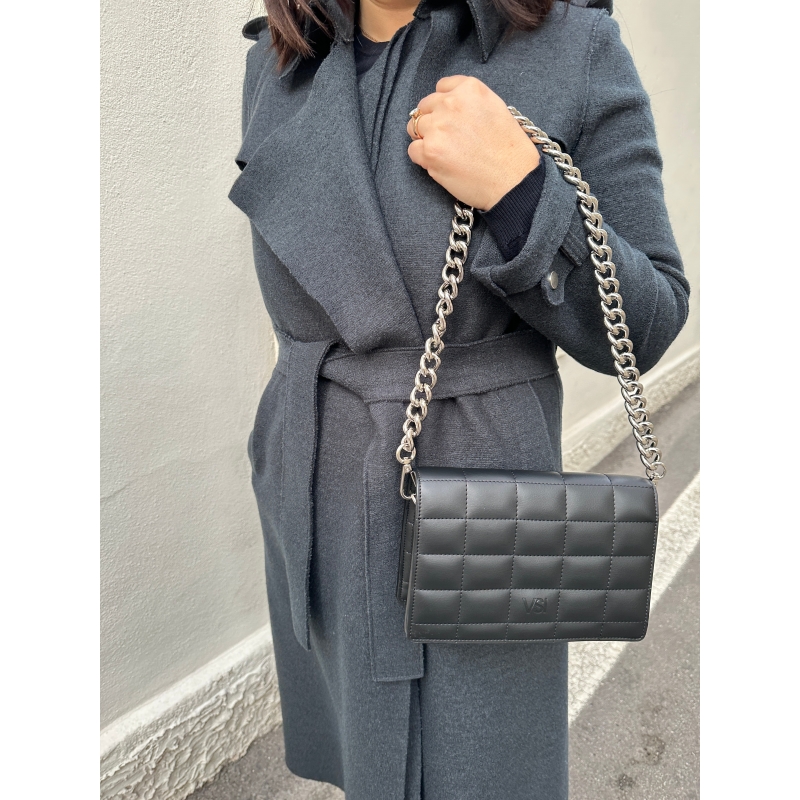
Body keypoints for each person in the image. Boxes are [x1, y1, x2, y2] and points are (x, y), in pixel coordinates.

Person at [229, 0, 689, 797]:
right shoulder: (280, 60)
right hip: (317, 490)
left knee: (485, 770)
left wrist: (524, 194)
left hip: (481, 508)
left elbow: (648, 319)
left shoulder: (570, 44)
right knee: (359, 760)